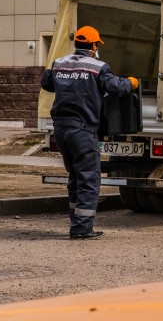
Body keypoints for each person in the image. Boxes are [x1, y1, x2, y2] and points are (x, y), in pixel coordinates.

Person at [41, 26, 138, 239]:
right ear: (94, 45)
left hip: (61, 129)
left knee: (76, 177)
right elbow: (116, 87)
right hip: (83, 131)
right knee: (88, 179)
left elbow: (46, 83)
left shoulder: (59, 63)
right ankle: (82, 228)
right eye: (97, 45)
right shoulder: (98, 67)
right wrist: (131, 82)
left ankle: (76, 221)